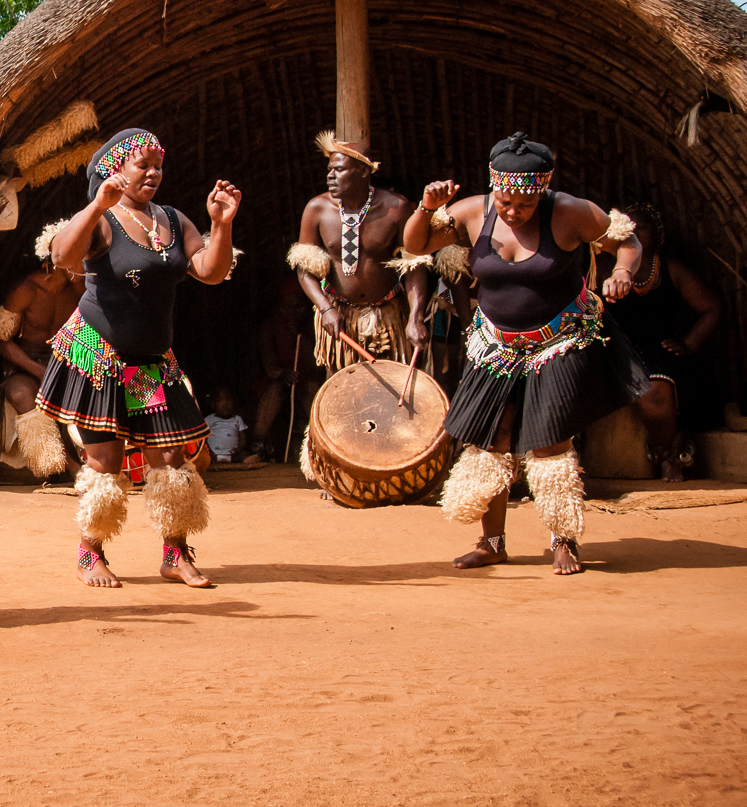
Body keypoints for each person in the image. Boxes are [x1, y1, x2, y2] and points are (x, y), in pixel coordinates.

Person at [404, 132, 650, 575]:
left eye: (525, 203)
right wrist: (426, 206)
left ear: (543, 189)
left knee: (550, 443)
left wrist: (623, 272)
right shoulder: (471, 212)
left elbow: (627, 240)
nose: (513, 211)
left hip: (560, 340)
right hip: (496, 344)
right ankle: (492, 542)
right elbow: (416, 245)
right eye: (506, 200)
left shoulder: (572, 212)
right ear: (493, 185)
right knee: (494, 439)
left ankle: (564, 540)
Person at [36, 129, 241, 589]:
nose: (152, 173)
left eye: (158, 165)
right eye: (141, 165)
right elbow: (62, 256)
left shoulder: (172, 218)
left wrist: (222, 225)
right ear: (116, 170)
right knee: (106, 462)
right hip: (98, 357)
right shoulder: (102, 221)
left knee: (170, 458)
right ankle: (90, 554)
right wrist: (96, 206)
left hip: (150, 362)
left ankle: (175, 554)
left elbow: (211, 271)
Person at [287, 131, 430, 372]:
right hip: (339, 317)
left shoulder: (397, 208)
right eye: (329, 170)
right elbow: (304, 270)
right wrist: (326, 308)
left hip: (389, 317)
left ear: (364, 171)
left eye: (339, 170)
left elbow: (414, 264)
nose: (330, 176)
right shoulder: (317, 209)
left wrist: (416, 317)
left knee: (392, 394)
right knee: (343, 395)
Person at [604, 203, 722, 481]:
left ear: (657, 234)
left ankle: (669, 452)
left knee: (654, 392)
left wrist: (690, 343)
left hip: (658, 349)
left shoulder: (672, 270)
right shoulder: (605, 269)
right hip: (613, 347)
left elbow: (712, 308)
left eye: (641, 226)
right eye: (628, 226)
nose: (633, 231)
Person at [0, 222, 86, 478]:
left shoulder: (81, 292)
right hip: (25, 366)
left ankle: (96, 460)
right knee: (21, 394)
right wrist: (39, 370)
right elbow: (1, 341)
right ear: (54, 258)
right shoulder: (26, 290)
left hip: (66, 362)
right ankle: (68, 467)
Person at [251, 278, 322, 461]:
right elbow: (269, 366)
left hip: (305, 378)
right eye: (286, 307)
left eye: (297, 307)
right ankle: (257, 444)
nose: (291, 312)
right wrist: (283, 374)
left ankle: (322, 438)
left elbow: (316, 365)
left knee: (312, 388)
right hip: (279, 379)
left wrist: (300, 335)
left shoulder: (314, 326)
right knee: (275, 390)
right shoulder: (269, 327)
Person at [203, 388, 251, 463]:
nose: (224, 404)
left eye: (228, 400)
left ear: (234, 403)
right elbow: (203, 439)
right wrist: (209, 451)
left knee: (244, 454)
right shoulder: (209, 419)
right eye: (220, 401)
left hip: (233, 455)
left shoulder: (237, 419)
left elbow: (243, 438)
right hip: (213, 455)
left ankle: (247, 460)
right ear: (213, 404)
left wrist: (239, 449)